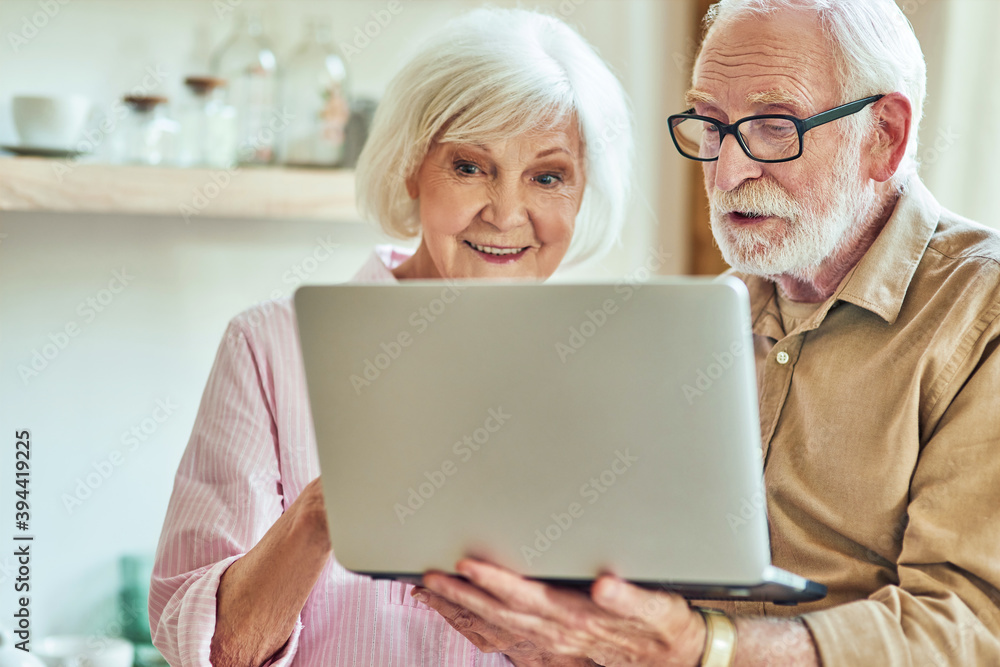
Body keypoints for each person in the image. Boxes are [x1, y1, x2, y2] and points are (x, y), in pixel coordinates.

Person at [414, 1, 1000, 665]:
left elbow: (972, 626)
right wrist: (548, 638)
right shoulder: (699, 321)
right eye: (710, 126)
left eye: (775, 128)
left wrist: (707, 648)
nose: (725, 174)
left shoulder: (983, 314)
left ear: (884, 136)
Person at [148, 8, 633, 667]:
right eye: (470, 166)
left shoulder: (618, 369)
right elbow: (210, 650)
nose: (507, 213)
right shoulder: (270, 347)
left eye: (547, 177)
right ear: (411, 167)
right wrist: (322, 513)